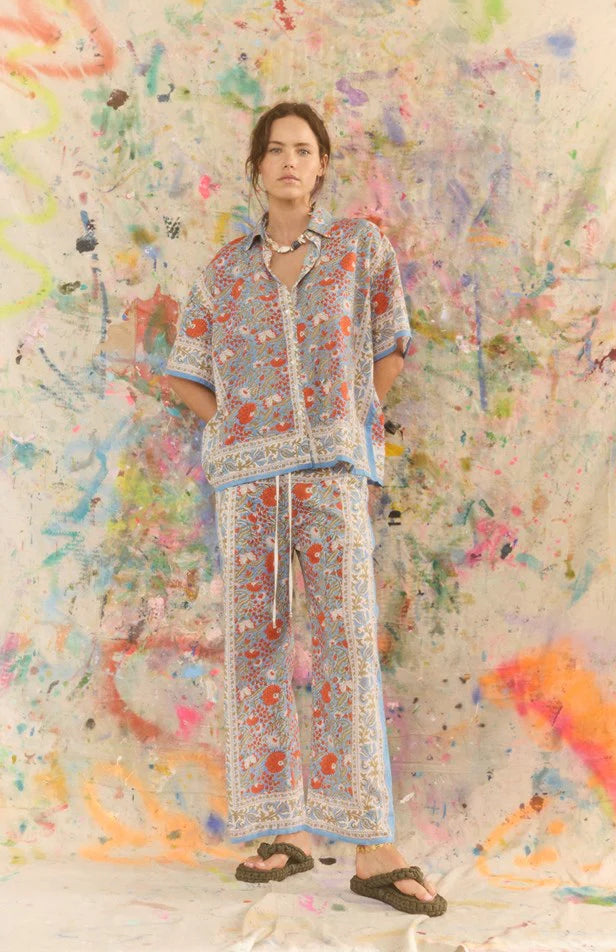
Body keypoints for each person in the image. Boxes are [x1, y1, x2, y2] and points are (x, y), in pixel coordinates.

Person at [165, 101, 446, 916]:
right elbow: (185, 372)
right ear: (257, 167)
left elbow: (390, 345)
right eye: (276, 149)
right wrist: (235, 423)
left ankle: (371, 845)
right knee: (256, 645)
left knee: (346, 642)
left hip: (330, 475)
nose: (290, 161)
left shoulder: (360, 249)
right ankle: (279, 828)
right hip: (249, 483)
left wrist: (355, 417)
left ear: (321, 165)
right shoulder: (222, 272)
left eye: (304, 149)